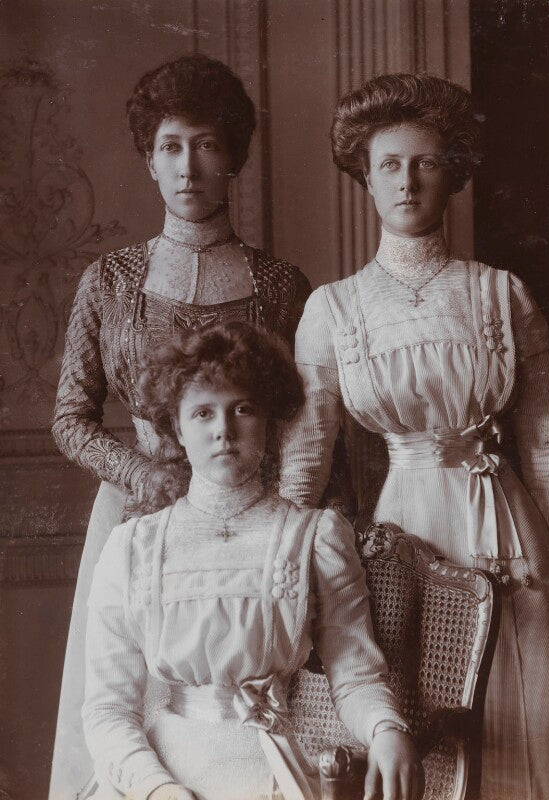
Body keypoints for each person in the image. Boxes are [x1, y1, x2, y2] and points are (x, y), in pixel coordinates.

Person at [278, 73, 549, 800]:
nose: (407, 182)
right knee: (424, 727)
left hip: (507, 532)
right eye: (389, 166)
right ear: (366, 179)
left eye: (426, 163)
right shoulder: (334, 309)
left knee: (526, 717)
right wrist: (280, 563)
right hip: (405, 535)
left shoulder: (502, 293)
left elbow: (544, 447)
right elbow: (307, 456)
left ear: (452, 174)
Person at [50, 54, 311, 799]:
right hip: (134, 519)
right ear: (149, 160)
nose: (187, 167)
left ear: (233, 158)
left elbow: (303, 423)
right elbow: (70, 419)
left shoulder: (281, 286)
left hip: (245, 526)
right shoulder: (108, 281)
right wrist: (145, 474)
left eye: (205, 145)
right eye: (170, 146)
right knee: (118, 711)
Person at [81, 321, 421, 800]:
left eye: (242, 409)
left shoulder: (314, 537)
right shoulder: (133, 546)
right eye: (203, 413)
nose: (223, 430)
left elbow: (355, 674)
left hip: (268, 766)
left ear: (268, 421)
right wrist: (157, 789)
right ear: (177, 428)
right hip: (159, 773)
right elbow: (107, 708)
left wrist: (386, 728)